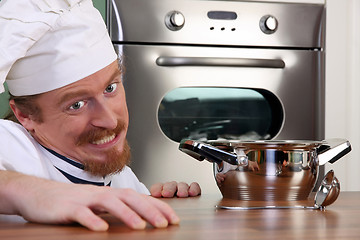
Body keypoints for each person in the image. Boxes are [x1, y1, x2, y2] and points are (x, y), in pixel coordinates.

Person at [0, 0, 201, 231]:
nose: (110, 121)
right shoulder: (11, 144)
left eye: (110, 89)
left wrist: (159, 201)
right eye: (76, 104)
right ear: (25, 115)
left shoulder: (122, 176)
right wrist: (37, 193)